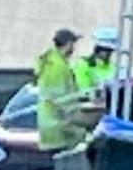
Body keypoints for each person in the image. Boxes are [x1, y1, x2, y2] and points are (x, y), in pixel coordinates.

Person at [33, 26, 92, 154]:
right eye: (73, 44)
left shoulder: (55, 62)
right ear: (68, 44)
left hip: (54, 127)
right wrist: (79, 121)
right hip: (58, 128)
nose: (74, 49)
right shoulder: (56, 66)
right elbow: (61, 99)